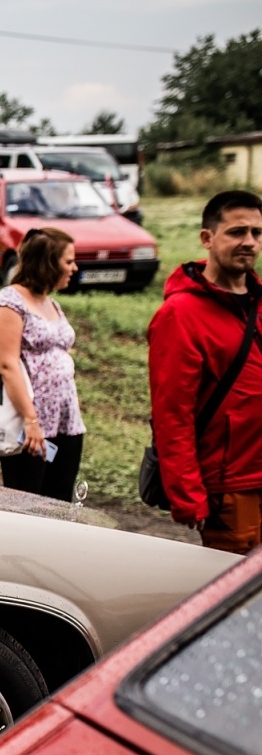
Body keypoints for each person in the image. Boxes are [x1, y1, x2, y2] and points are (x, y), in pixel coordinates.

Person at [148, 190, 262, 553]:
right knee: (240, 600)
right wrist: (188, 496)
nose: (249, 242)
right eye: (237, 232)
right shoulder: (180, 314)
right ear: (207, 238)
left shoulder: (259, 302)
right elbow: (172, 415)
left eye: (257, 233)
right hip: (229, 488)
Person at [0, 227, 84, 501]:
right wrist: (31, 420)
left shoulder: (49, 302)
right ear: (47, 263)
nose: (74, 268)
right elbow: (7, 365)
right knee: (27, 502)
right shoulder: (9, 303)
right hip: (29, 424)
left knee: (59, 501)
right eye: (68, 261)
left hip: (66, 420)